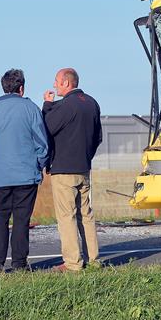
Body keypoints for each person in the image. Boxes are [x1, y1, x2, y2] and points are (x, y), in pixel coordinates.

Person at [0, 69, 49, 272]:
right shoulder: (31, 108)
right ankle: (19, 263)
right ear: (22, 87)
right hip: (26, 175)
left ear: (3, 86)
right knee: (21, 220)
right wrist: (39, 164)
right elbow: (42, 144)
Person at [42, 68, 102, 271]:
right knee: (86, 214)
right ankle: (93, 259)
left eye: (57, 81)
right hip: (83, 168)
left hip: (64, 169)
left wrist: (47, 105)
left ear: (67, 83)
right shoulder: (92, 103)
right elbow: (98, 138)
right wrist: (86, 157)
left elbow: (47, 128)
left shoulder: (66, 105)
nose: (54, 84)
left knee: (66, 216)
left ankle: (73, 263)